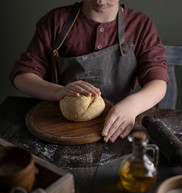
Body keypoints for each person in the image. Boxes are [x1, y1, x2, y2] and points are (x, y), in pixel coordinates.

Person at [10, 0, 168, 143]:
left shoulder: (141, 25)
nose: (100, 1)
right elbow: (22, 75)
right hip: (60, 126)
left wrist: (133, 106)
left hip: (118, 125)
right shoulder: (56, 21)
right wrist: (58, 92)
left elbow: (158, 81)